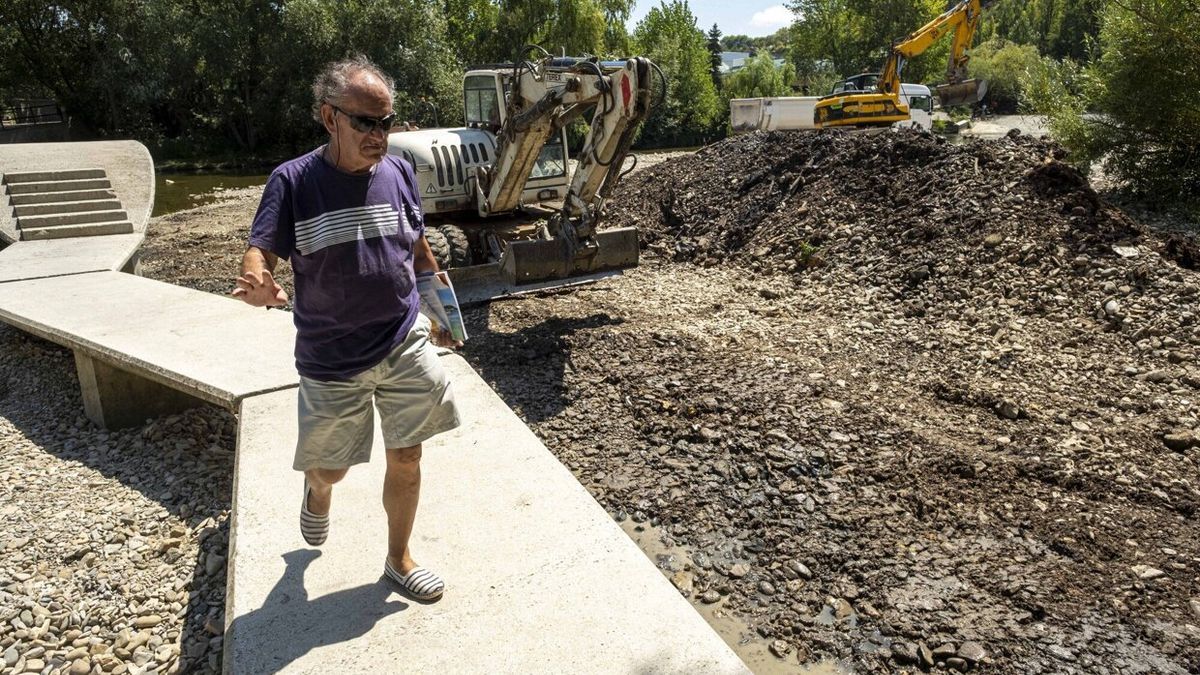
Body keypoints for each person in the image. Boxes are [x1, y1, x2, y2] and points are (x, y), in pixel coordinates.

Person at [232, 55, 460, 601]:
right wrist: (258, 279)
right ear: (329, 117)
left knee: (408, 453)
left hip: (403, 338)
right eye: (366, 122)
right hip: (332, 356)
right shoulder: (293, 181)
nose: (380, 135)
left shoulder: (401, 172)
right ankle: (316, 492)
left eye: (387, 122)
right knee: (331, 469)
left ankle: (398, 560)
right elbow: (259, 248)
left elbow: (418, 249)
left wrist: (443, 312)